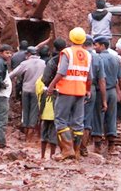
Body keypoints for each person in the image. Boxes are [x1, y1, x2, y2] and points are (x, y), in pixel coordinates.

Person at [47, 27, 92, 161]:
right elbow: (90, 77)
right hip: (80, 91)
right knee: (78, 123)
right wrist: (87, 90)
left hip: (66, 91)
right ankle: (77, 151)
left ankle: (67, 150)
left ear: (71, 38)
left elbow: (61, 72)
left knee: (60, 120)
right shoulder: (88, 55)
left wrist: (51, 85)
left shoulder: (67, 52)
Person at [9, 46, 46, 144]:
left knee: (25, 111)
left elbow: (12, 74)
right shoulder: (43, 63)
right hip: (37, 90)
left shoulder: (25, 63)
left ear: (28, 54)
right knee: (34, 112)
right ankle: (29, 139)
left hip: (26, 89)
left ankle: (26, 137)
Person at [92, 37, 121, 156]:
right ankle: (111, 146)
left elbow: (99, 79)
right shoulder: (116, 59)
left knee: (98, 117)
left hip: (101, 91)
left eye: (96, 45)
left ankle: (98, 145)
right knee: (111, 117)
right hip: (113, 92)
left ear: (103, 46)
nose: (95, 47)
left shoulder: (97, 59)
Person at [38, 37, 66, 159]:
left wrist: (49, 86)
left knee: (46, 126)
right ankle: (54, 154)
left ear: (54, 48)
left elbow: (45, 79)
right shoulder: (69, 59)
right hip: (65, 95)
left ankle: (43, 155)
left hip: (50, 96)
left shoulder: (52, 61)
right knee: (58, 125)